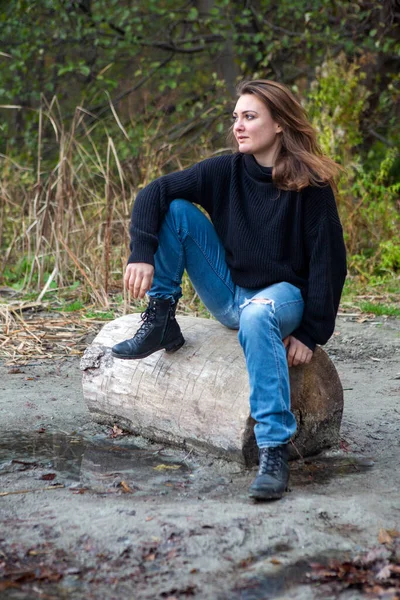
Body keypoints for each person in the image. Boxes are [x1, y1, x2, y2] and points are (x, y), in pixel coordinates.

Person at [112, 79, 347, 501]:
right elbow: (155, 191)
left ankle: (273, 449)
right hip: (230, 294)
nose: (238, 126)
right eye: (235, 117)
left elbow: (329, 264)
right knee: (178, 210)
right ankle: (162, 316)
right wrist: (141, 253)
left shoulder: (310, 186)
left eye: (250, 117)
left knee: (259, 313)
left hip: (281, 298)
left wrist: (311, 333)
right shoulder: (226, 171)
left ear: (279, 125)